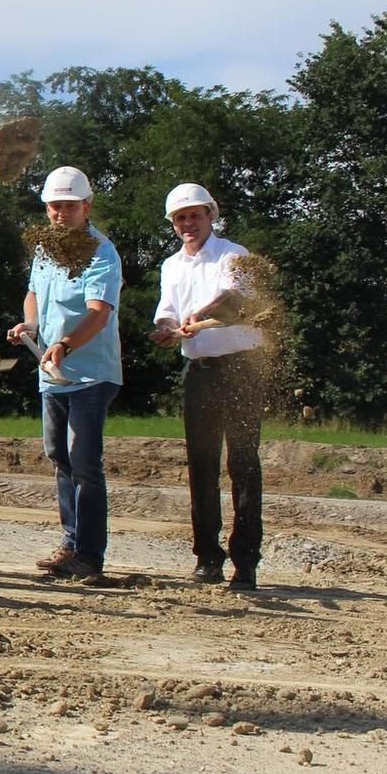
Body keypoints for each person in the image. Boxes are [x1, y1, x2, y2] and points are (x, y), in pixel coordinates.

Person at [7, 166, 123, 580]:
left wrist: (66, 344)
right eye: (54, 206)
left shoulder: (101, 252)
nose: (60, 213)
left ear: (86, 207)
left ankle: (90, 555)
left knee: (84, 461)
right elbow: (34, 294)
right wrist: (32, 327)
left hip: (91, 373)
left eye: (69, 206)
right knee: (59, 455)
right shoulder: (45, 249)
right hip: (52, 372)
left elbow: (98, 313)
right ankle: (71, 542)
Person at [151, 183, 265, 591]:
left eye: (195, 215)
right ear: (173, 224)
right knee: (202, 466)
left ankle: (246, 562)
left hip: (240, 370)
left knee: (243, 465)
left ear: (210, 216)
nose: (188, 224)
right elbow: (166, 315)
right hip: (198, 370)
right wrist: (165, 331)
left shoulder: (234, 256)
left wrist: (197, 315)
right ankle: (207, 557)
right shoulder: (171, 266)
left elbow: (234, 302)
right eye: (180, 218)